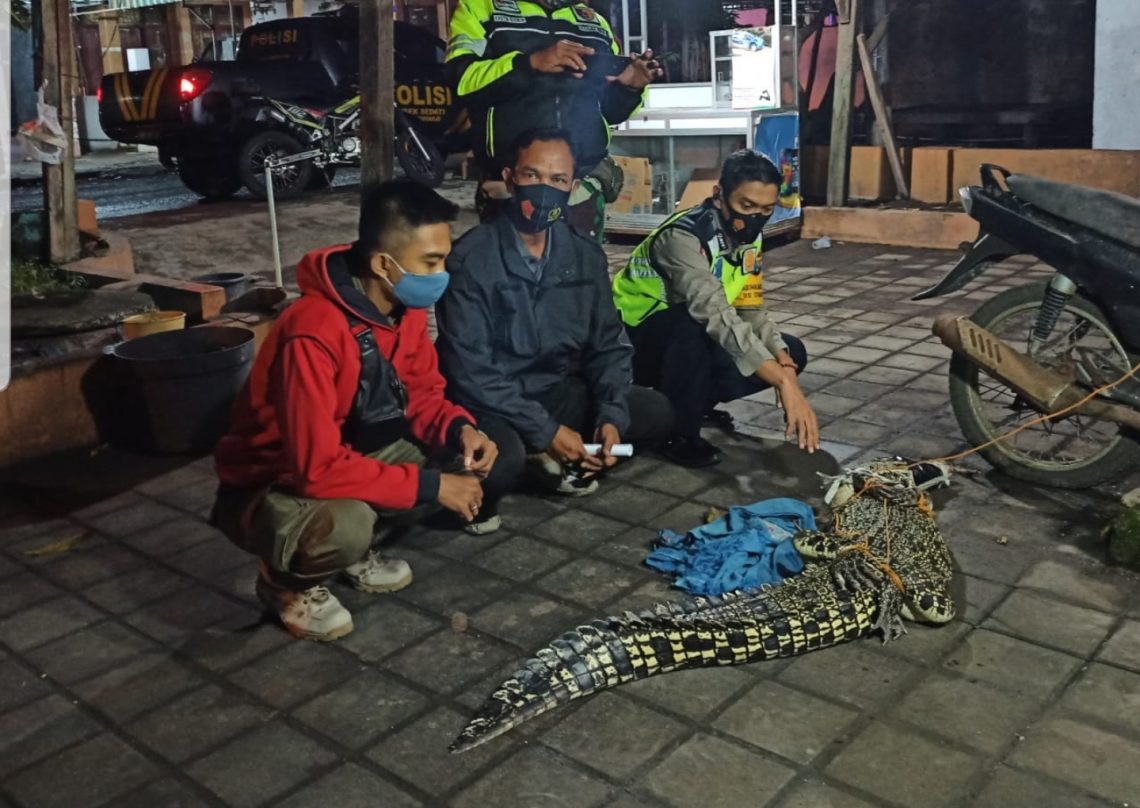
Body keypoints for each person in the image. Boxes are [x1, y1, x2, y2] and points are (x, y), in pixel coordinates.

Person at [212, 180, 498, 642]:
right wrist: (431, 486)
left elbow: (422, 393)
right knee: (349, 525)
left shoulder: (400, 307)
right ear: (384, 264)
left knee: (452, 456)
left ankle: (353, 553)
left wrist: (460, 429)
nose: (442, 274)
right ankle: (283, 583)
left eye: (444, 259)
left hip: (348, 452)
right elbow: (315, 469)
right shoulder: (313, 331)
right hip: (271, 480)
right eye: (431, 262)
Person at [435, 128, 673, 534]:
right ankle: (532, 462)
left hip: (555, 392)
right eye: (532, 175)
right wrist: (546, 432)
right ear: (510, 179)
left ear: (573, 188)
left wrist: (610, 417)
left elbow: (608, 345)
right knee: (499, 462)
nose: (544, 189)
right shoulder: (471, 259)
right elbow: (471, 373)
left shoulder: (584, 255)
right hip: (491, 405)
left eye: (558, 179)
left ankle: (555, 459)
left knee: (654, 412)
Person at [611, 149, 820, 468]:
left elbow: (750, 309)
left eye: (766, 209)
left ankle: (694, 404)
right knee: (694, 324)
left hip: (684, 342)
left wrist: (785, 366)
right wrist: (780, 380)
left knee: (792, 349)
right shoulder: (682, 237)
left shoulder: (748, 238)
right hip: (631, 343)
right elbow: (712, 312)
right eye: (746, 206)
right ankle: (676, 433)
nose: (756, 217)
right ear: (718, 195)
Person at [446, 0, 662, 242]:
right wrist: (530, 64)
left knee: (582, 263)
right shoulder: (481, 7)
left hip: (581, 187)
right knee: (508, 263)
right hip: (510, 183)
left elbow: (610, 112)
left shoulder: (595, 22)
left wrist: (629, 88)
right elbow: (461, 80)